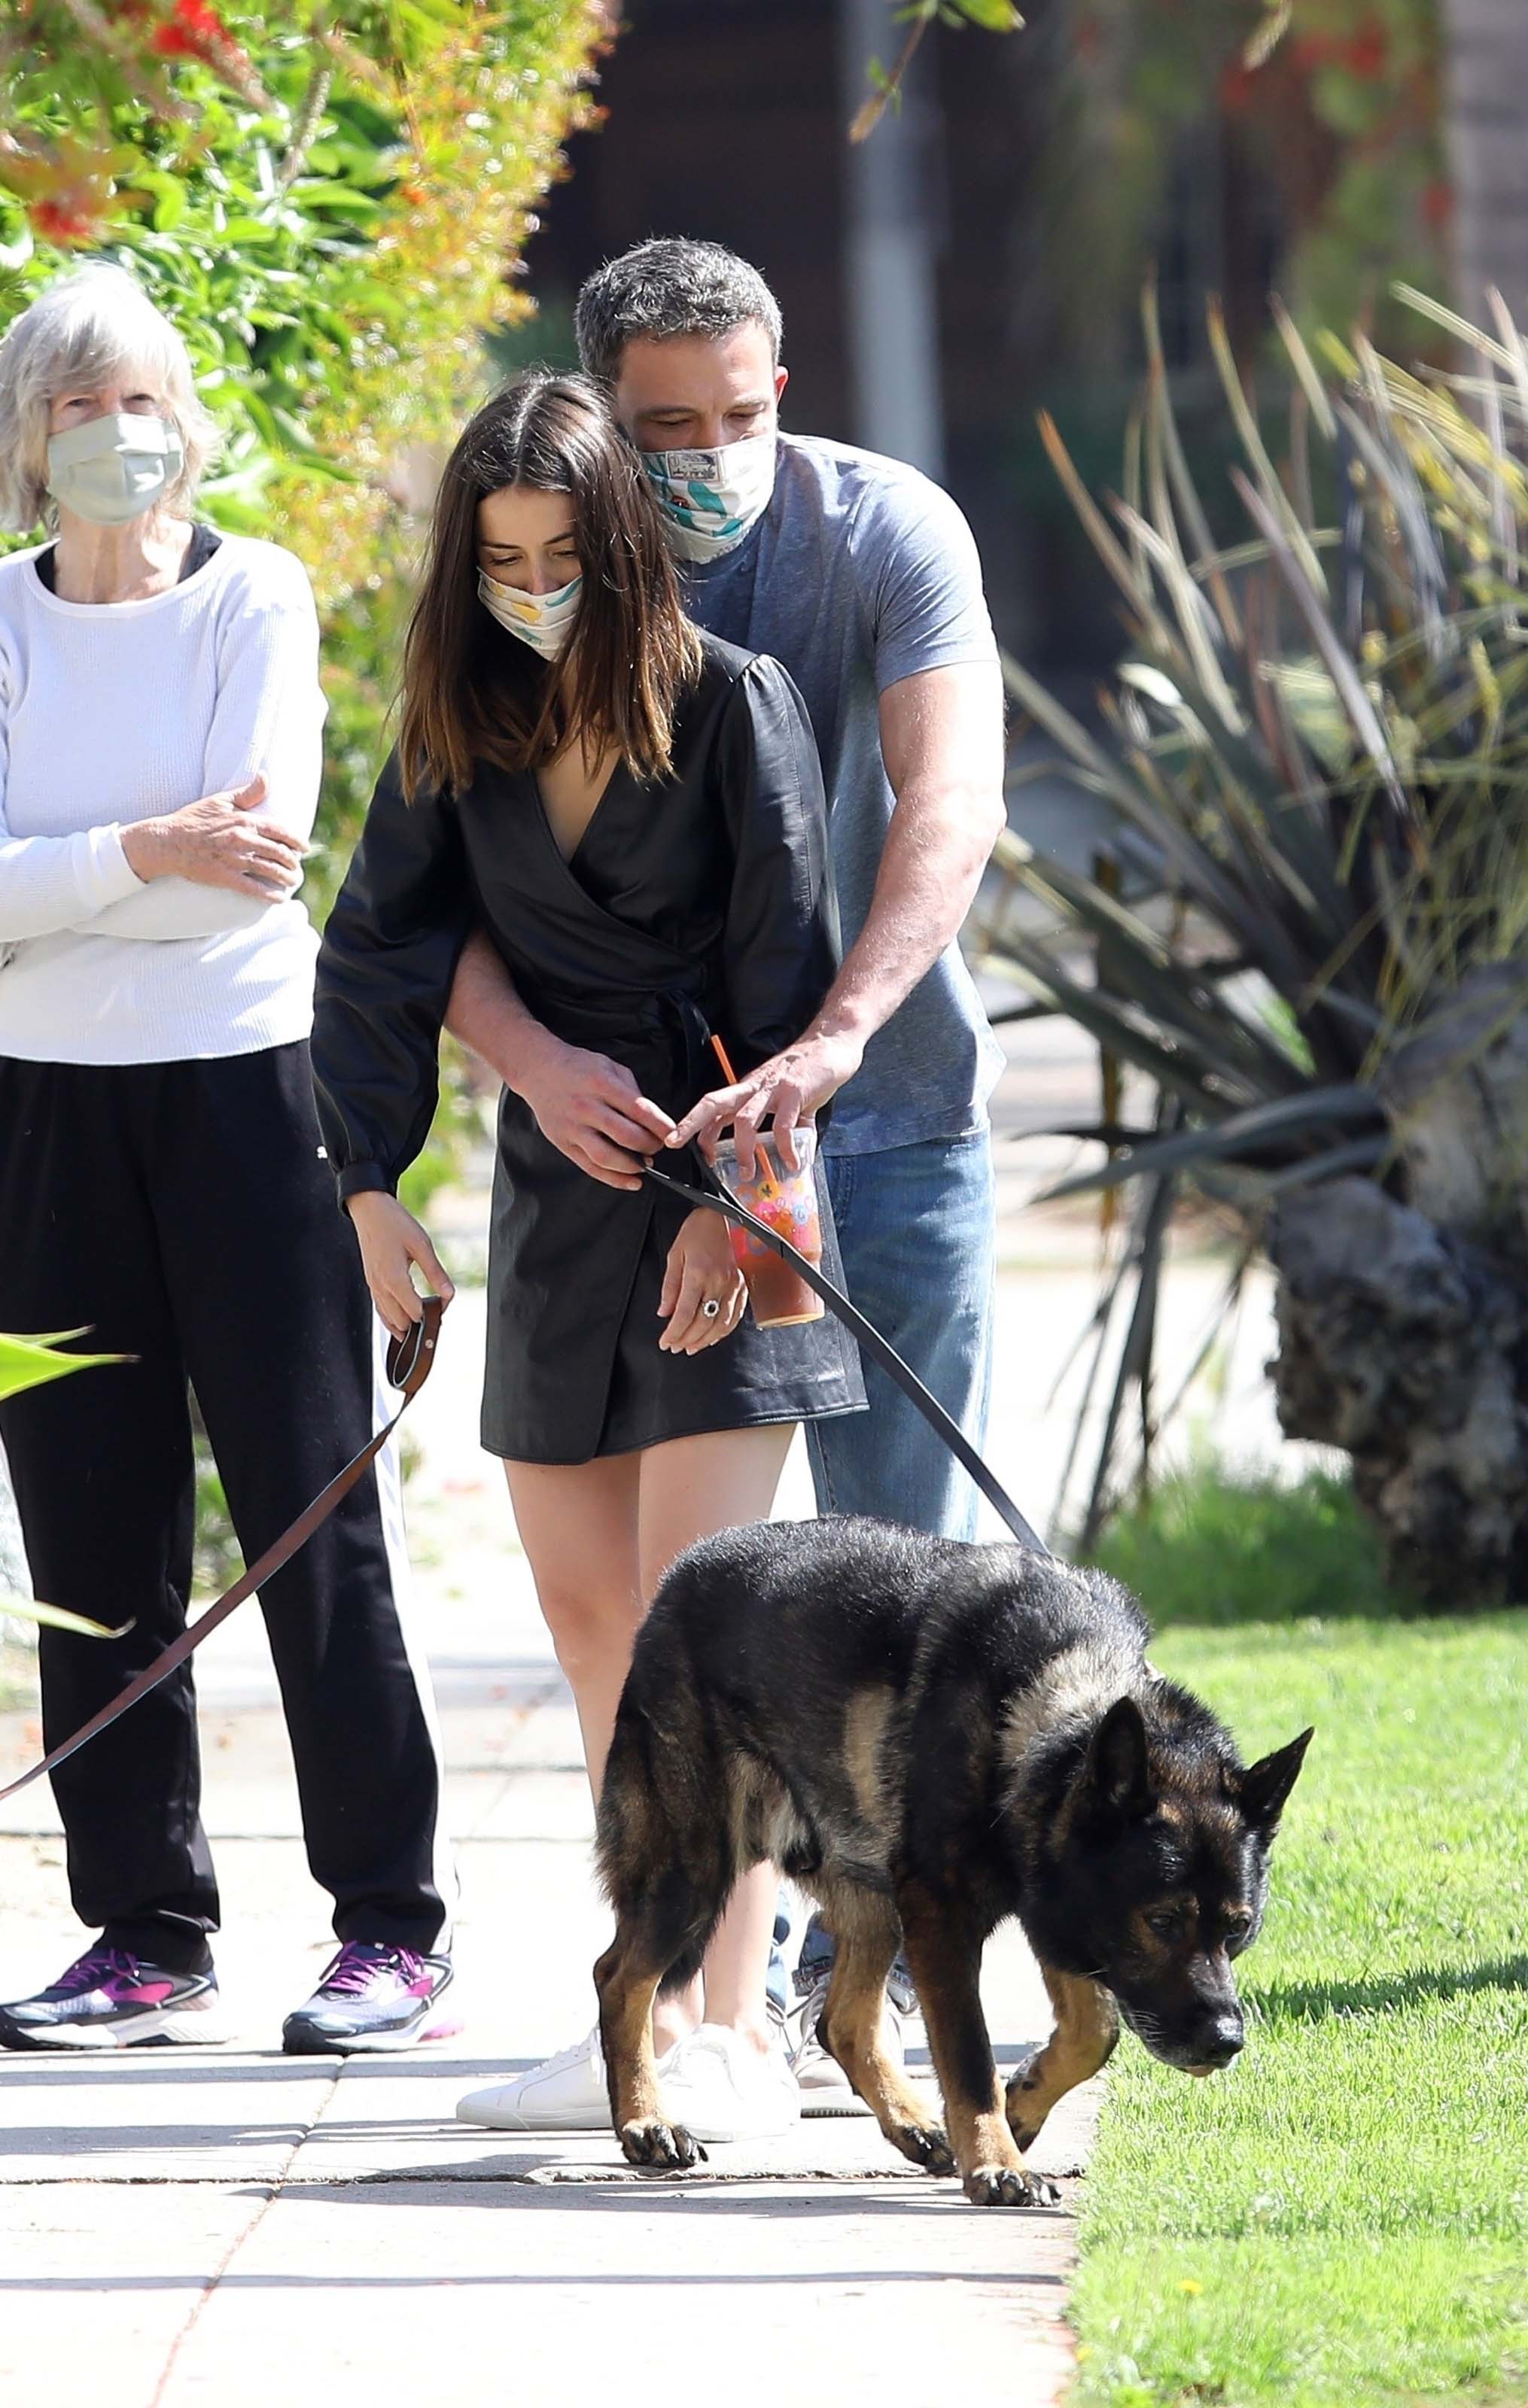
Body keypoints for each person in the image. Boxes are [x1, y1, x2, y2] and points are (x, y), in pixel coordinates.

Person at [444, 239, 1006, 2115]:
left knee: (911, 1602)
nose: (706, 456)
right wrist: (539, 1073)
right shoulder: (543, 573)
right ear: (600, 411)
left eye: (740, 416)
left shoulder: (880, 533)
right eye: (662, 425)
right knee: (710, 1609)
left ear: (785, 387)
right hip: (663, 1169)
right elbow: (419, 894)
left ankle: (915, 1984)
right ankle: (716, 1995)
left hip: (889, 1126)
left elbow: (949, 797)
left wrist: (836, 1042)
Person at [309, 371, 863, 2143]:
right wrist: (370, 1184)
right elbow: (382, 947)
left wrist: (727, 1206)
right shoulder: (455, 720)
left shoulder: (733, 705)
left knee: (711, 1637)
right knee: (590, 1626)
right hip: (558, 1201)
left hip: (725, 1192)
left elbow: (789, 981)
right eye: (497, 558)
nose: (529, 585)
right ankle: (643, 1998)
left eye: (559, 553)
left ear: (619, 546)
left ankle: (733, 2033)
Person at [0, 264, 455, 2055]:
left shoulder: (251, 594)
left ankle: (390, 1925)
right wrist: (139, 852)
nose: (121, 435)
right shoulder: (3, 623)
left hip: (249, 1095)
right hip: (40, 1112)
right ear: (29, 445)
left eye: (146, 400)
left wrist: (63, 872)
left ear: (189, 421)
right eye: (79, 406)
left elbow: (257, 854)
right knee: (87, 1526)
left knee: (306, 1505)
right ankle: (143, 1929)